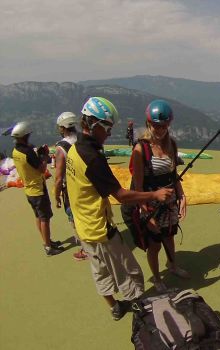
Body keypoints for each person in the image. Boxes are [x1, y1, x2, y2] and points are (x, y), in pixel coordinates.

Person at [66, 96, 173, 321]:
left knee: (101, 271)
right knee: (130, 272)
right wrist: (154, 194)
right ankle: (142, 311)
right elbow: (122, 196)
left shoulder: (75, 149)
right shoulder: (92, 157)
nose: (110, 134)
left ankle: (115, 307)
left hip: (82, 226)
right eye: (107, 128)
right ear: (94, 125)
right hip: (100, 228)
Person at [130, 100, 188, 292]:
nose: (161, 130)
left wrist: (182, 196)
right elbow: (138, 188)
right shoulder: (141, 150)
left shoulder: (171, 144)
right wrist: (145, 212)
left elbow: (173, 175)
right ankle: (156, 278)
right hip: (151, 204)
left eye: (164, 126)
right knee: (154, 244)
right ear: (149, 123)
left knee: (170, 235)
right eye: (156, 126)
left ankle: (172, 265)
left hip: (169, 201)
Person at [11, 121, 64, 256]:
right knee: (45, 218)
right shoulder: (28, 152)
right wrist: (45, 156)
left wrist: (38, 155)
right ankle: (49, 247)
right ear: (24, 136)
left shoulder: (16, 151)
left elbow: (29, 163)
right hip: (38, 190)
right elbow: (41, 169)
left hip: (29, 190)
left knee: (38, 217)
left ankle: (46, 241)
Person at [54, 112, 88, 261]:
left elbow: (59, 177)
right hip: (87, 184)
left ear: (62, 127)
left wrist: (56, 195)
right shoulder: (83, 140)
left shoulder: (62, 148)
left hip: (72, 188)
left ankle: (85, 249)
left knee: (74, 218)